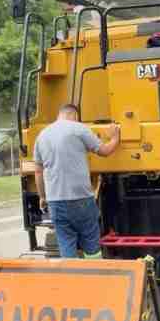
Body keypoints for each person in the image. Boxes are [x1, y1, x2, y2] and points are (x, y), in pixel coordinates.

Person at [33, 104, 120, 259]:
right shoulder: (79, 129)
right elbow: (105, 151)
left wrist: (42, 197)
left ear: (59, 114)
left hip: (56, 201)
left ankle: (73, 279)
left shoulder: (42, 135)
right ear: (75, 115)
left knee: (66, 245)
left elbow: (38, 171)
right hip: (81, 198)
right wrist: (115, 137)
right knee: (92, 245)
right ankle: (96, 278)